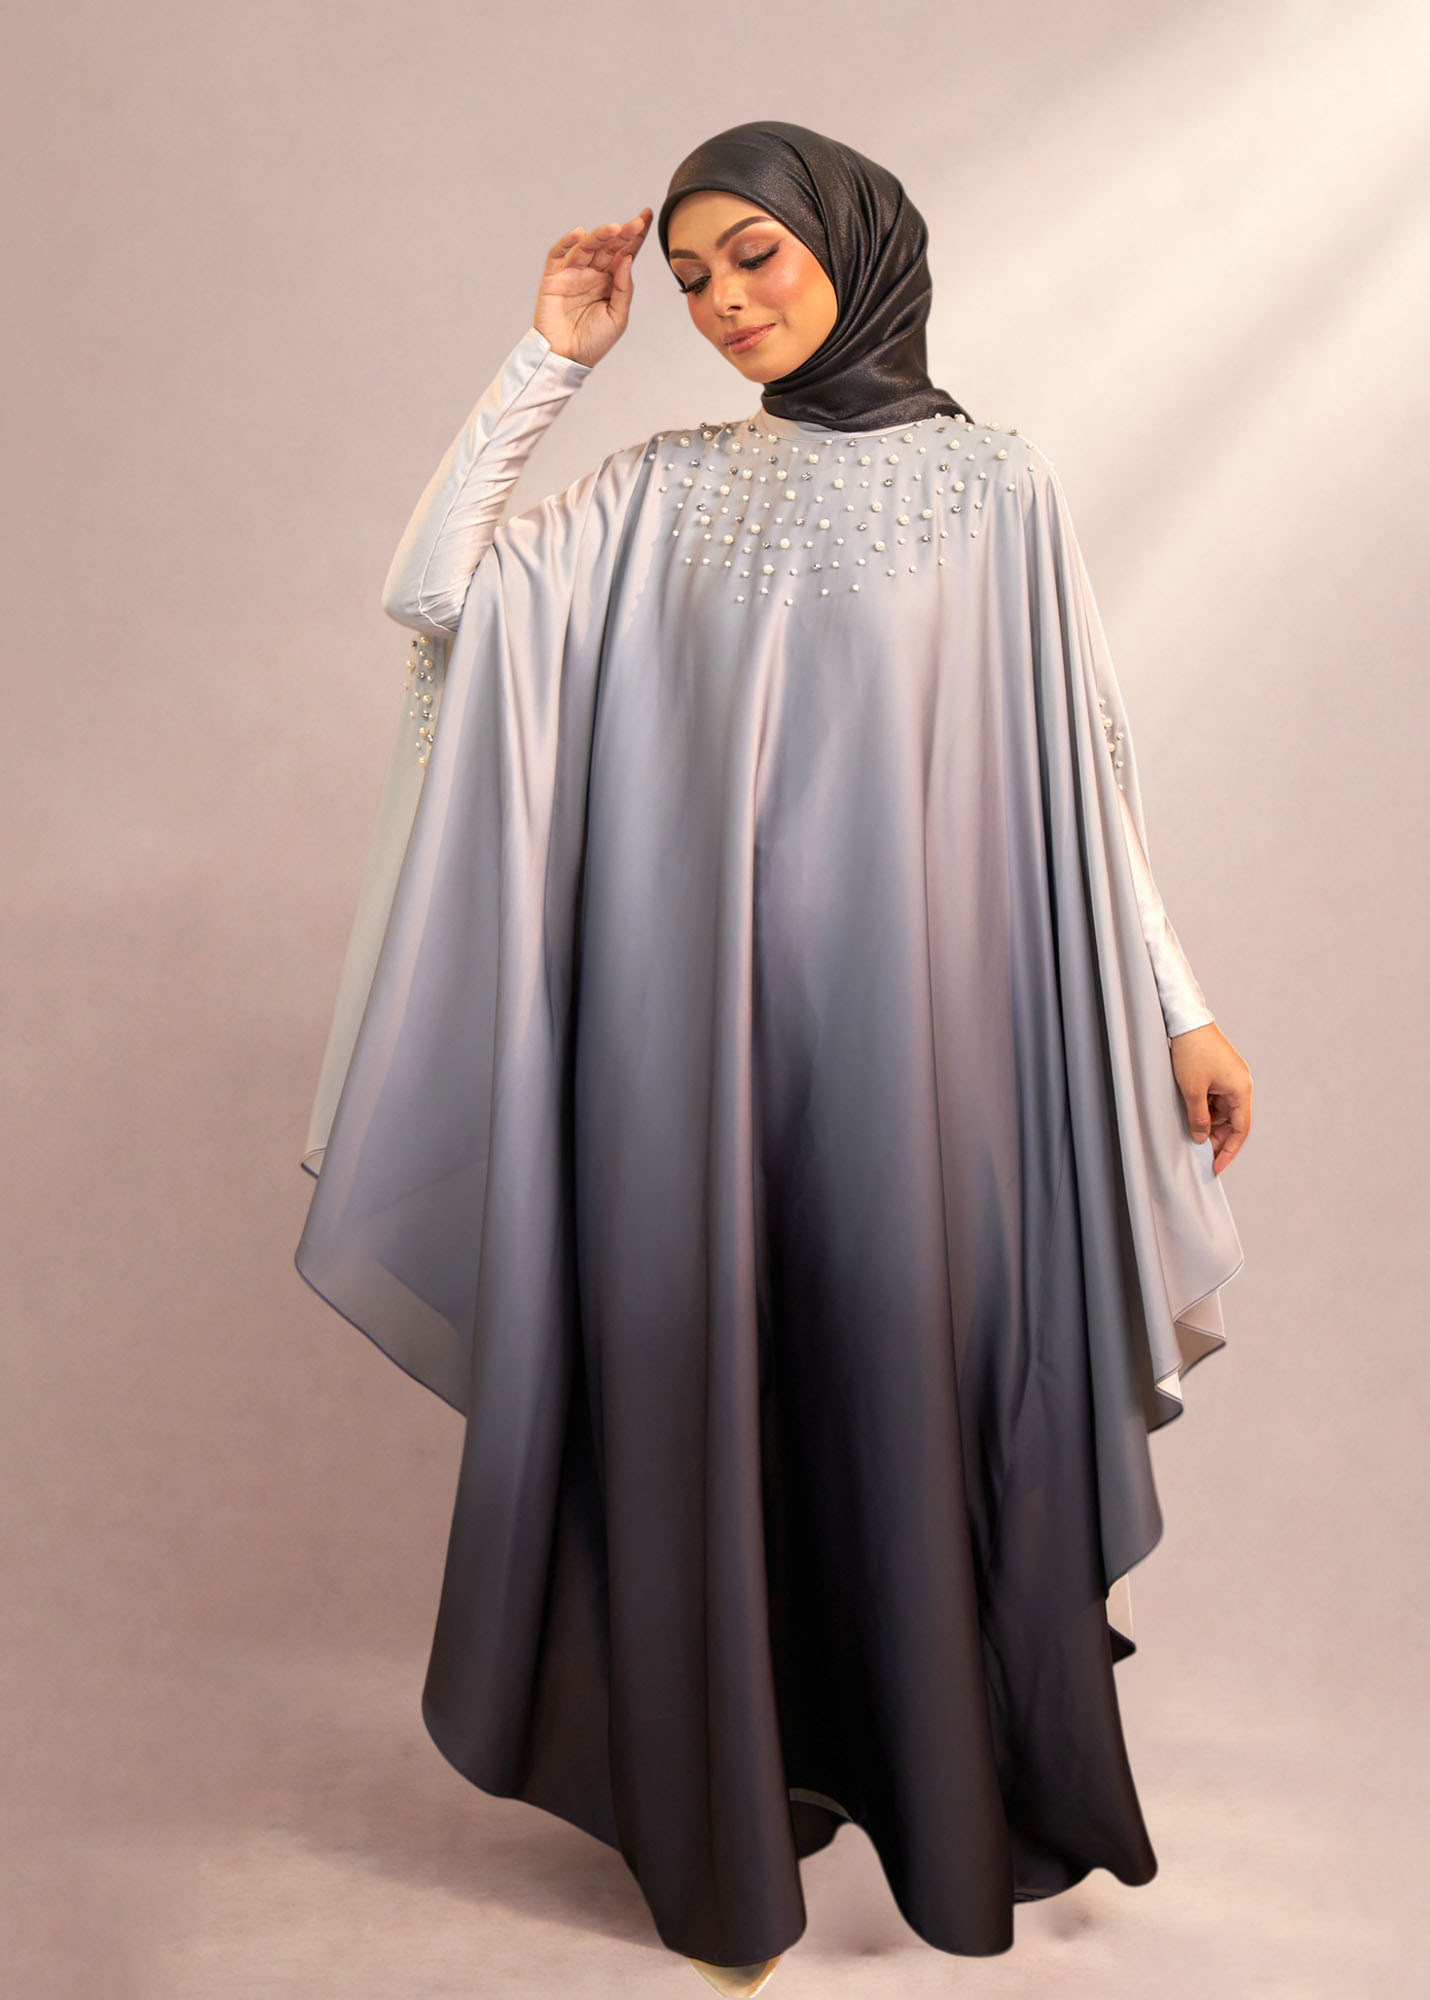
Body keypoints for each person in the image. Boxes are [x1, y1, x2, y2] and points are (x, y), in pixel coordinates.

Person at [294, 121, 1252, 1997]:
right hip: (688, 1067)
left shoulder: (999, 487)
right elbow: (436, 596)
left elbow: (1085, 773)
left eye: (756, 256)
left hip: (935, 1060)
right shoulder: (658, 491)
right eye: (690, 280)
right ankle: (726, 1832)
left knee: (917, 1393)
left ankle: (932, 1792)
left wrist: (1175, 1002)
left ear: (856, 245)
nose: (725, 303)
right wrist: (551, 358)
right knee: (704, 1402)